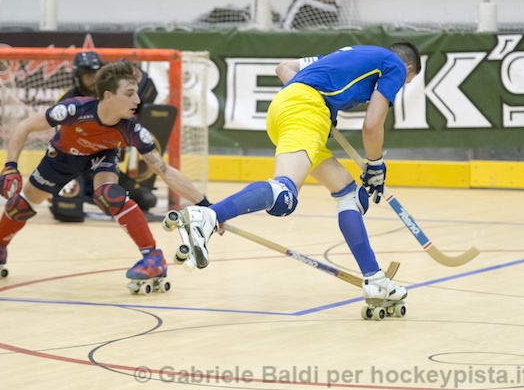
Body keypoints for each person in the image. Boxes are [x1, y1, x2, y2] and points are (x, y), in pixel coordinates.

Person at [167, 42, 421, 307]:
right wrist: (375, 164)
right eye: (406, 82)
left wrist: (321, 106)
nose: (400, 85)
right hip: (305, 110)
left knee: (351, 196)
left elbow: (283, 68)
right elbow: (372, 125)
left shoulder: (343, 56)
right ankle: (207, 216)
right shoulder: (395, 65)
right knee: (284, 195)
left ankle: (375, 280)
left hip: (286, 107)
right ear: (408, 68)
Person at [0, 59, 211, 289]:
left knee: (110, 196)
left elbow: (165, 172)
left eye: (136, 92)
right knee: (19, 205)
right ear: (108, 96)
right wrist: (10, 166)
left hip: (102, 157)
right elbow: (24, 127)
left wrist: (206, 206)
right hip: (62, 157)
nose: (137, 99)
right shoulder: (74, 109)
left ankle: (153, 258)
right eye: (129, 94)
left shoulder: (132, 129)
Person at [50, 51, 160, 222]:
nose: (93, 80)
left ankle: (95, 194)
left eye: (96, 75)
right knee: (68, 210)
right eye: (88, 76)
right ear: (78, 77)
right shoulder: (67, 102)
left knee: (146, 199)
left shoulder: (111, 94)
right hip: (76, 164)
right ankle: (83, 193)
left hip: (104, 161)